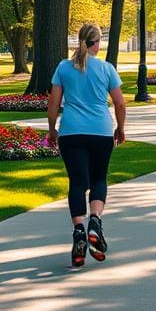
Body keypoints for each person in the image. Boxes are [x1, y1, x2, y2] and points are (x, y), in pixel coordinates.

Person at [46, 23, 126, 267]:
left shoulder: (63, 67)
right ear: (97, 43)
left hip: (71, 132)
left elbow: (53, 103)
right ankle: (95, 220)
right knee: (99, 178)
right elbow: (120, 104)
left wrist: (52, 130)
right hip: (100, 132)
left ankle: (79, 230)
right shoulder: (106, 68)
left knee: (78, 183)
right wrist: (120, 128)